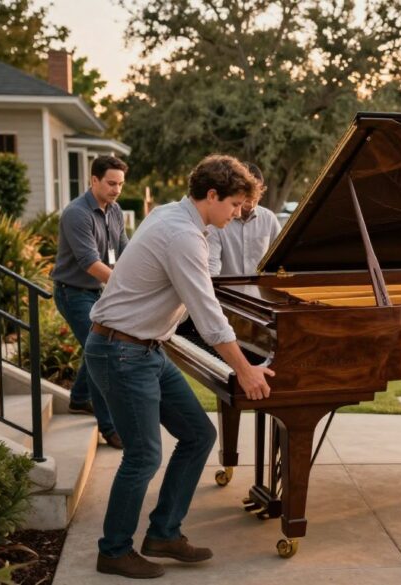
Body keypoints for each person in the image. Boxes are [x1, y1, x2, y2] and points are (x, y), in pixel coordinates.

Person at [84, 154, 275, 579]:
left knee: (198, 434)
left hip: (147, 347)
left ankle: (164, 533)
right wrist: (246, 369)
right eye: (235, 205)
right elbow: (207, 316)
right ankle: (113, 551)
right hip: (121, 351)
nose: (240, 213)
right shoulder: (181, 235)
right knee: (144, 455)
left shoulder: (178, 216)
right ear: (212, 195)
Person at [51, 155, 128, 449]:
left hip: (99, 293)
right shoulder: (77, 214)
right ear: (93, 180)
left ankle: (80, 399)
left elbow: (124, 249)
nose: (116, 189)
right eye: (111, 183)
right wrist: (125, 288)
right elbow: (89, 262)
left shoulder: (115, 210)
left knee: (95, 348)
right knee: (102, 352)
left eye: (120, 184)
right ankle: (109, 427)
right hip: (74, 293)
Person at [207, 162, 282, 276]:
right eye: (247, 198)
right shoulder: (217, 222)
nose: (251, 204)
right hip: (226, 292)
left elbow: (280, 261)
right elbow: (211, 269)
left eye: (256, 198)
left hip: (262, 292)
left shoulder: (269, 219)